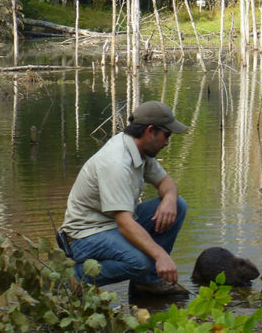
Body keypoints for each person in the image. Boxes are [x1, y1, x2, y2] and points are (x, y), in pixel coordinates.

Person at [60, 100, 189, 296]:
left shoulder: (139, 149)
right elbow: (125, 224)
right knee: (142, 262)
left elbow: (167, 184)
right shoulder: (117, 162)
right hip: (83, 236)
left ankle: (147, 283)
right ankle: (71, 278)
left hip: (111, 225)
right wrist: (161, 256)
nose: (167, 142)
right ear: (150, 131)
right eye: (166, 135)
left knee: (178, 205)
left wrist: (169, 199)